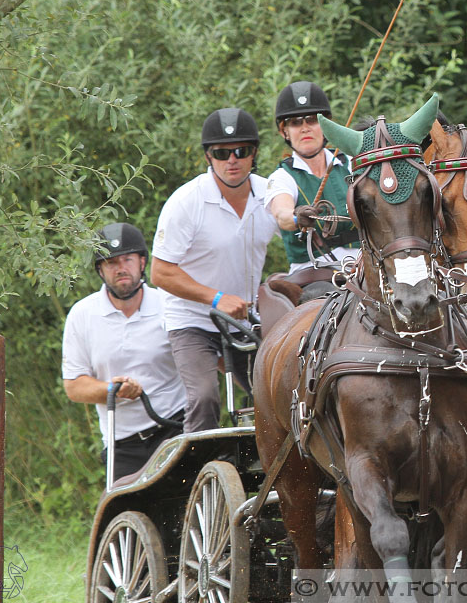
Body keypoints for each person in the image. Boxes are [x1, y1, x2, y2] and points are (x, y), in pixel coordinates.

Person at [151, 107, 278, 432]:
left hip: (246, 320)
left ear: (254, 154)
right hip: (192, 322)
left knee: (280, 394)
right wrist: (216, 298)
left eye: (242, 151)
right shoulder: (186, 202)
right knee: (205, 398)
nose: (232, 160)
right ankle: (195, 476)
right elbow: (160, 273)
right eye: (222, 153)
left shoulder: (271, 195)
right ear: (209, 157)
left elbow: (299, 234)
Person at [62, 222, 187, 480]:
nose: (121, 269)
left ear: (142, 262)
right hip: (122, 441)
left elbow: (198, 358)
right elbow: (74, 386)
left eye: (127, 260)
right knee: (120, 513)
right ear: (100, 270)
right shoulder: (82, 315)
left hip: (175, 428)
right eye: (111, 263)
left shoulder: (169, 304)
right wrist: (112, 390)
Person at [265, 81, 361, 301]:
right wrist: (297, 216)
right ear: (285, 131)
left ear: (325, 126)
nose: (305, 127)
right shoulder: (281, 178)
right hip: (313, 275)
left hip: (363, 267)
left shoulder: (351, 164)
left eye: (312, 120)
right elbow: (282, 214)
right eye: (296, 122)